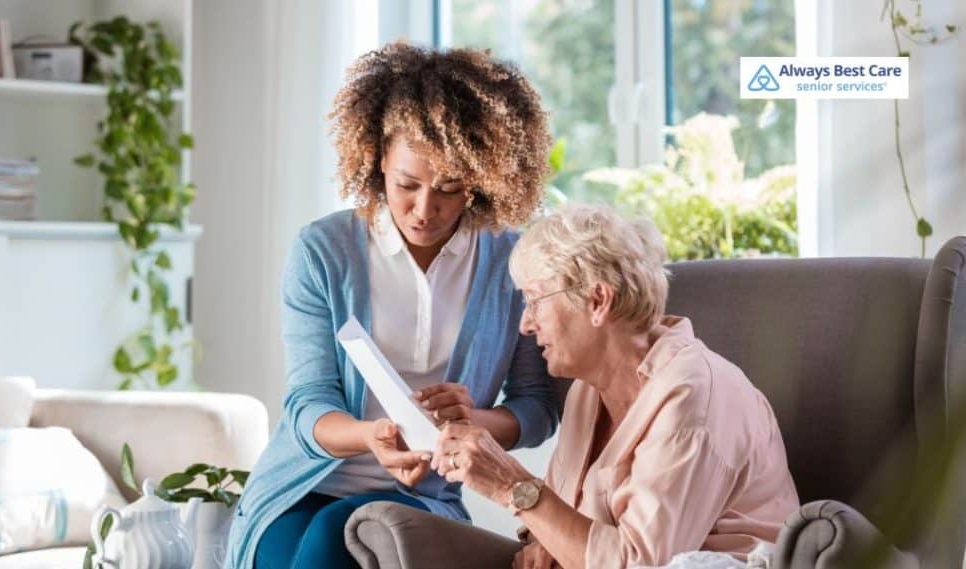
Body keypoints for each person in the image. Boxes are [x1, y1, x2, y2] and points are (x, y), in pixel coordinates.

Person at [225, 42, 560, 569]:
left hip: (421, 494)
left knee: (340, 534)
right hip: (301, 485)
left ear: (479, 180)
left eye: (449, 189)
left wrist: (471, 421)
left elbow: (537, 407)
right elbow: (307, 403)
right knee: (294, 547)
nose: (425, 209)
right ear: (380, 160)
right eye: (407, 184)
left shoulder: (510, 263)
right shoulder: (323, 251)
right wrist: (370, 438)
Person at [434, 203, 800, 569]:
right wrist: (544, 541)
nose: (526, 325)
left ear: (597, 300)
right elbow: (556, 519)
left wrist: (509, 484)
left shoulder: (693, 395)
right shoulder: (587, 390)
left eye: (535, 301)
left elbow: (641, 565)